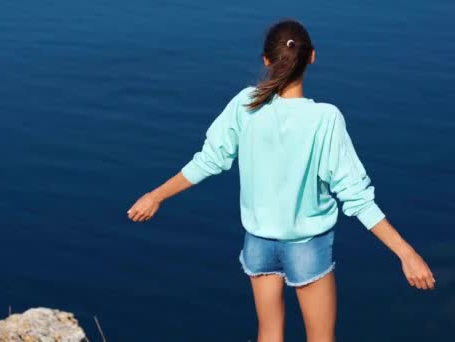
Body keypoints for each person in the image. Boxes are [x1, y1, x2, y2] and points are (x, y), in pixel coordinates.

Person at [126, 19, 435, 342]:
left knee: (269, 334)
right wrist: (406, 253)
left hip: (258, 243)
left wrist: (156, 195)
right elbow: (356, 197)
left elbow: (209, 160)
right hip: (307, 247)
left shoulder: (247, 104)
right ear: (312, 56)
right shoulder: (324, 119)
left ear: (266, 60)